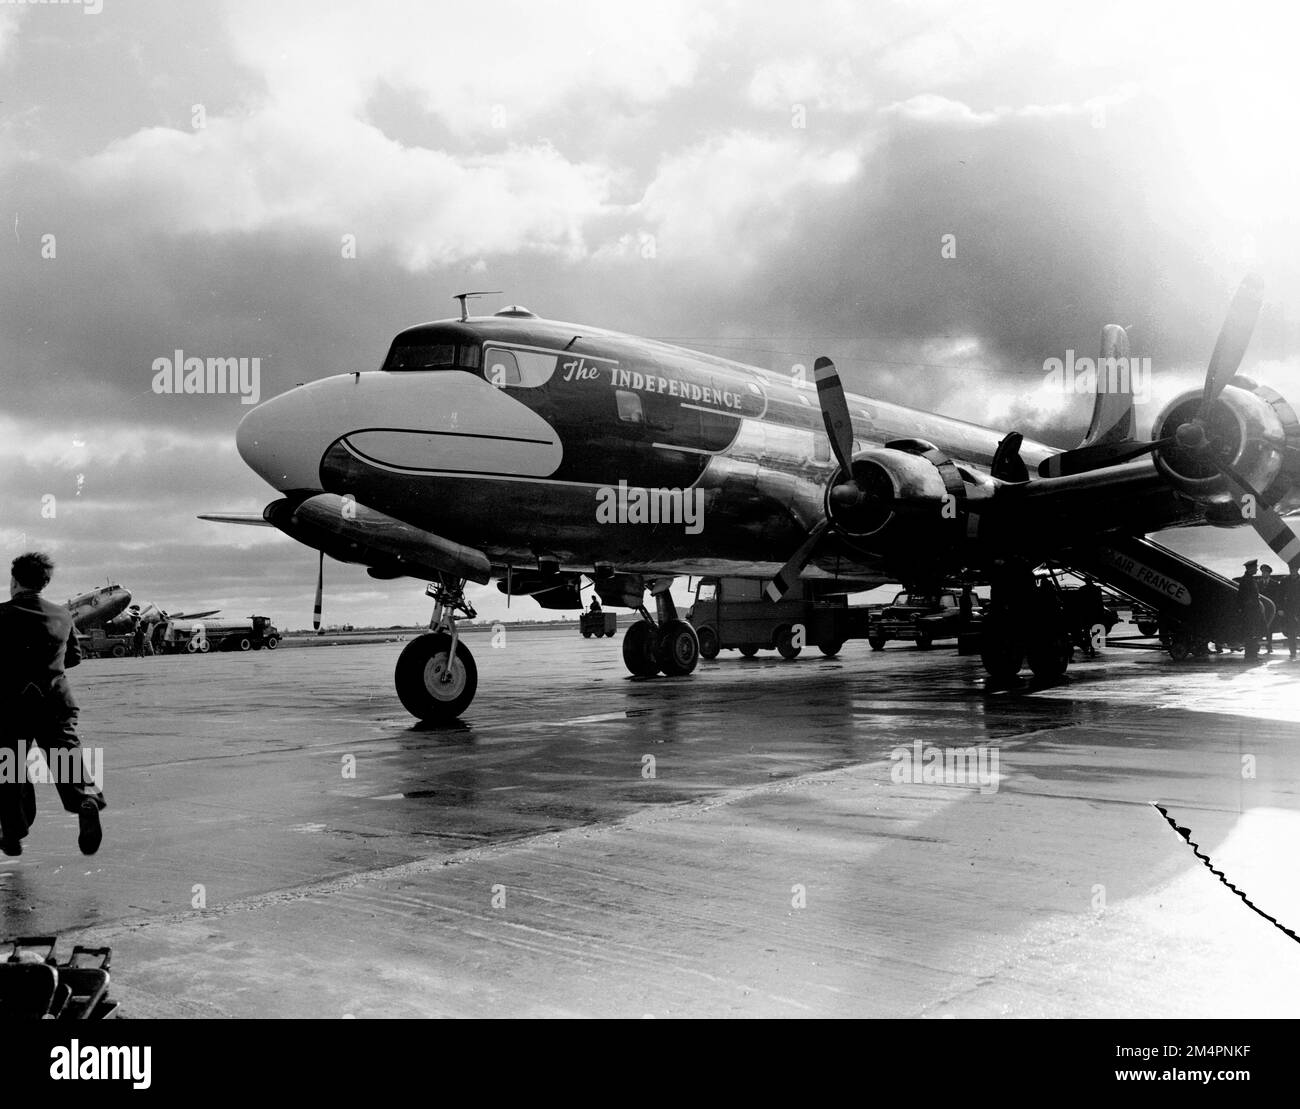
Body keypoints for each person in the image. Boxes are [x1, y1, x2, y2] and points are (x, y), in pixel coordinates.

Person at [0, 553, 105, 857]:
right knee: (65, 757)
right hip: (55, 700)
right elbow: (73, 657)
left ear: (14, 581)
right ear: (44, 583)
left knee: (10, 768)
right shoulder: (62, 615)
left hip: (11, 704)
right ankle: (84, 801)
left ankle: (13, 832)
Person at [1236, 560, 1264, 661]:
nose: (1257, 569)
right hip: (1249, 612)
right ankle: (1250, 656)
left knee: (1253, 633)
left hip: (1252, 612)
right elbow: (1242, 597)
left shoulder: (1249, 579)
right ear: (1250, 568)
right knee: (1250, 634)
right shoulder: (1246, 580)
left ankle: (1252, 655)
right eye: (1255, 567)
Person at [1259, 564, 1280, 655]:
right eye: (1263, 572)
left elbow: (1278, 597)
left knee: (1270, 629)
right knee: (1259, 628)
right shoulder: (1258, 583)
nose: (1264, 574)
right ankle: (1258, 647)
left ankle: (1269, 646)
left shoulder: (1274, 584)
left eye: (1266, 572)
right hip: (1260, 609)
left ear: (1269, 573)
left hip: (1270, 610)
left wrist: (1277, 609)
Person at [1281, 566, 1300, 661]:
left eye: (1294, 569)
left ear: (1297, 569)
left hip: (1299, 609)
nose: (1293, 570)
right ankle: (1292, 652)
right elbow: (1280, 595)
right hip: (1289, 610)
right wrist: (1280, 608)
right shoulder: (1285, 580)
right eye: (1291, 569)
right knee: (1291, 633)